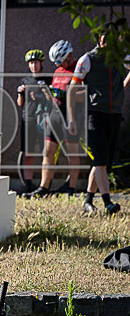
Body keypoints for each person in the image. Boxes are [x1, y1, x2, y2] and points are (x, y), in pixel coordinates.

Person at [72, 26, 125, 215]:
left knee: (103, 162)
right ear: (99, 38)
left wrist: (121, 91)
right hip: (94, 115)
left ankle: (88, 201)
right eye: (106, 37)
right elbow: (73, 88)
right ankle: (108, 203)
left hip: (115, 114)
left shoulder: (120, 58)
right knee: (101, 160)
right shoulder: (87, 59)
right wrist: (71, 117)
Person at [24, 40, 82, 197]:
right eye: (56, 62)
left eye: (60, 61)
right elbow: (52, 99)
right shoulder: (57, 71)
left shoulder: (79, 69)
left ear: (69, 56)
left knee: (72, 154)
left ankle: (71, 189)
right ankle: (44, 188)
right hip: (55, 115)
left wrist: (69, 94)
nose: (59, 64)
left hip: (72, 115)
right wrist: (48, 94)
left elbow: (86, 95)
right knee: (48, 152)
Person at [16, 49, 54, 194]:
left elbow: (52, 101)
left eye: (36, 63)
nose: (34, 66)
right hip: (28, 119)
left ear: (42, 63)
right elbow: (21, 104)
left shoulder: (48, 79)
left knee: (47, 153)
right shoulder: (25, 81)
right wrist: (20, 93)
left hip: (44, 121)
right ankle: (28, 184)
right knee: (28, 153)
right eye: (31, 63)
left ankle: (45, 185)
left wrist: (45, 91)